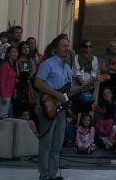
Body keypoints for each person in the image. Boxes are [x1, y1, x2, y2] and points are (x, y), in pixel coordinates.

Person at [33, 35, 74, 180]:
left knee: (57, 143)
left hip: (61, 109)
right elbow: (38, 83)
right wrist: (56, 94)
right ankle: (44, 175)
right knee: (46, 143)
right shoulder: (48, 64)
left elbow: (69, 89)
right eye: (63, 45)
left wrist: (88, 84)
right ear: (55, 48)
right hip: (48, 106)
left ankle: (52, 174)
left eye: (67, 46)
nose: (66, 48)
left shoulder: (68, 67)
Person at [0, 45, 18, 116]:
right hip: (5, 94)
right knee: (3, 115)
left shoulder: (13, 65)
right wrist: (3, 95)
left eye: (16, 52)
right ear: (8, 54)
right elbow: (1, 81)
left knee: (8, 115)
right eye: (13, 52)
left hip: (10, 94)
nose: (15, 54)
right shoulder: (5, 66)